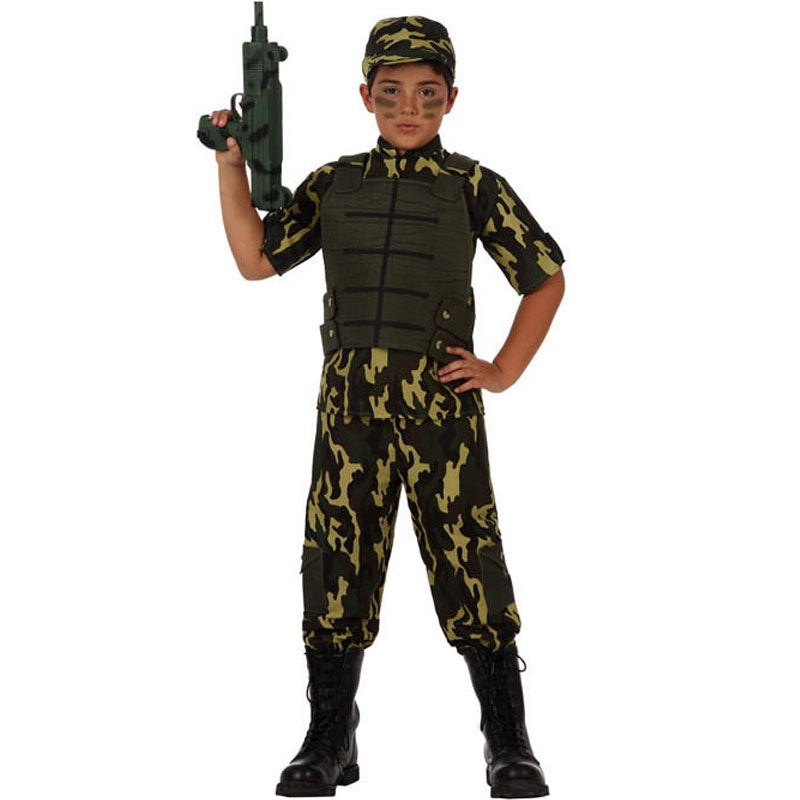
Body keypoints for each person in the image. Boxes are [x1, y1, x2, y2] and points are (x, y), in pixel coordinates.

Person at [209, 16, 565, 799]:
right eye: (392, 91)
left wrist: (502, 370)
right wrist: (233, 166)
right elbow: (256, 259)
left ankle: (509, 741)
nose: (409, 108)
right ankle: (329, 736)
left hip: (442, 414)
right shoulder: (334, 185)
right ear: (365, 95)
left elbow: (544, 278)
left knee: (471, 563)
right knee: (336, 563)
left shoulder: (472, 186)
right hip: (350, 414)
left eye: (428, 93)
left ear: (452, 99)